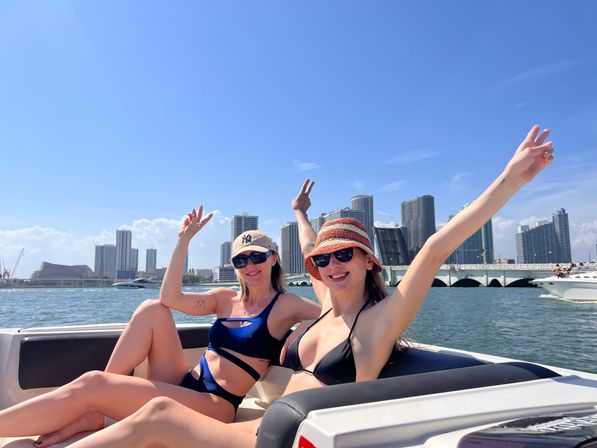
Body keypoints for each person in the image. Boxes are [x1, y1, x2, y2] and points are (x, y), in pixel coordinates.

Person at [64, 125, 553, 447]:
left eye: (346, 255)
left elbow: (436, 248)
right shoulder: (325, 306)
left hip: (278, 435)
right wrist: (299, 213)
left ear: (369, 262)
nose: (333, 264)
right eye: (324, 259)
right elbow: (307, 244)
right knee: (149, 410)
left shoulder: (379, 321)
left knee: (158, 416)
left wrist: (510, 180)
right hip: (268, 419)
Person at [0, 205, 321, 447]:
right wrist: (184, 240)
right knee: (153, 309)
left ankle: (93, 404)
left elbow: (332, 312)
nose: (249, 266)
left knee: (93, 384)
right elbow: (169, 297)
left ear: (273, 259)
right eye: (240, 260)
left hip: (216, 404)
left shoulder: (286, 304)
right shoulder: (225, 299)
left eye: (257, 257)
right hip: (186, 382)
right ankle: (96, 409)